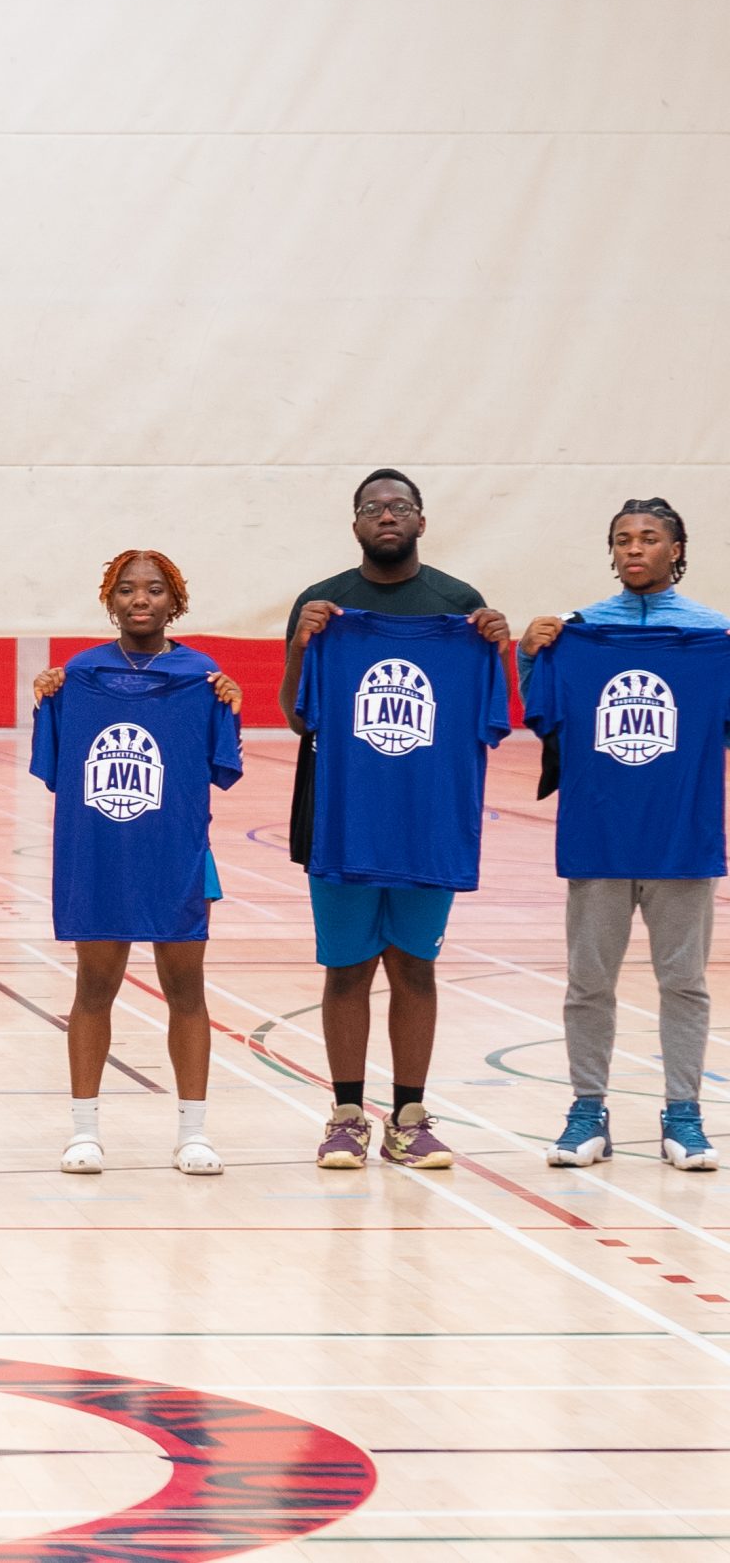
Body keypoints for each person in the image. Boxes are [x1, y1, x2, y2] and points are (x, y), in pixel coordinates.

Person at [280, 469, 510, 1169]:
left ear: (421, 521)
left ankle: (410, 1116)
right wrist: (300, 647)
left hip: (427, 822)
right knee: (346, 970)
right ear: (354, 524)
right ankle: (346, 1115)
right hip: (341, 819)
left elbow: (495, 720)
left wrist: (498, 646)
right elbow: (298, 714)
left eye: (400, 506)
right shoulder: (324, 607)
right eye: (373, 508)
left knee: (415, 967)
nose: (387, 516)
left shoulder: (460, 607)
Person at [520, 498, 724, 1171]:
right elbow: (541, 716)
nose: (634, 549)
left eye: (648, 538)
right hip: (599, 839)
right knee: (588, 983)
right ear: (611, 553)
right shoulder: (578, 635)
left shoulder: (713, 639)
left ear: (676, 549)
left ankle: (684, 1114)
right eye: (622, 539)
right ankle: (587, 1111)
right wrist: (530, 656)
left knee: (684, 982)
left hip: (681, 840)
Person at [29, 551, 244, 1175]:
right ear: (110, 600)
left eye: (154, 590)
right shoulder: (78, 676)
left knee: (187, 991)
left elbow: (224, 765)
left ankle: (193, 1133)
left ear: (175, 601)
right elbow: (53, 768)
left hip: (177, 857)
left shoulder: (203, 680)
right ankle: (84, 1131)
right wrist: (49, 694)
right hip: (97, 857)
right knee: (93, 989)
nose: (140, 599)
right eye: (126, 590)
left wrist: (227, 701)